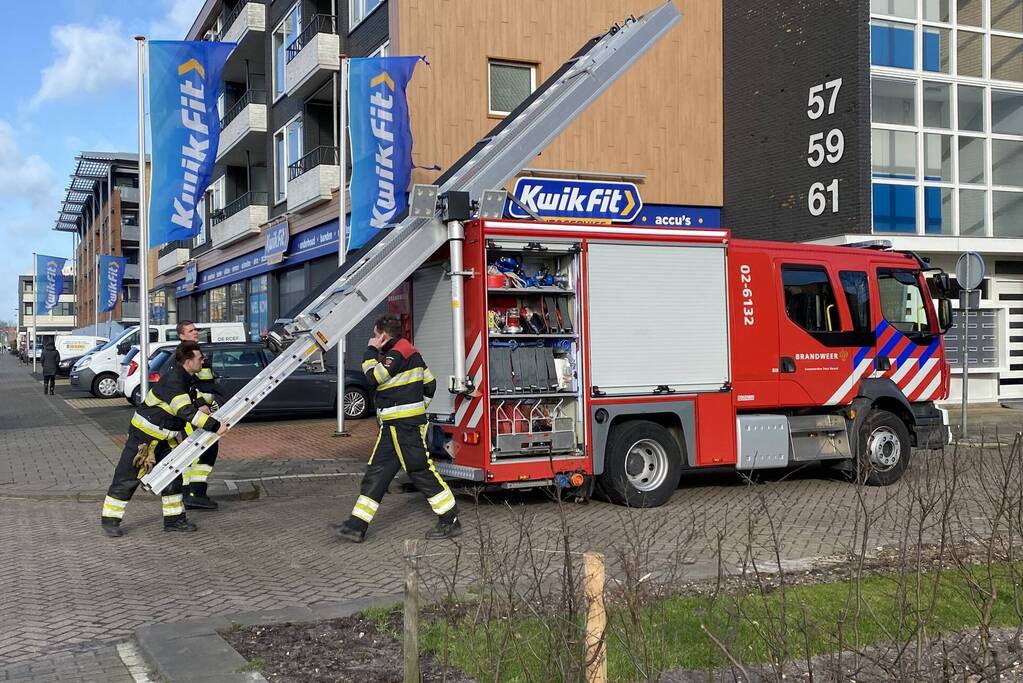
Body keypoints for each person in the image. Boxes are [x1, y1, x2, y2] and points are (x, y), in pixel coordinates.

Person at [336, 315, 462, 543]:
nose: (373, 338)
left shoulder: (398, 353)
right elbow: (430, 383)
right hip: (396, 426)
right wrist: (418, 409)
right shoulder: (410, 352)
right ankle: (356, 525)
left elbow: (373, 377)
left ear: (383, 335)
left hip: (404, 427)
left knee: (420, 471)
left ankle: (450, 519)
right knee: (377, 472)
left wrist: (370, 351)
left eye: (375, 335)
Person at [100, 341, 227, 537]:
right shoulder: (175, 380)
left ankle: (174, 520)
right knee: (127, 477)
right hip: (144, 439)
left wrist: (205, 402)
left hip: (165, 438)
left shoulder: (185, 377)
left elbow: (195, 396)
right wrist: (215, 426)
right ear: (188, 361)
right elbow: (185, 411)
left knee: (173, 477)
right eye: (200, 358)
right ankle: (110, 521)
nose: (203, 361)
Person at [175, 320, 223, 510]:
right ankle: (194, 494)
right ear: (181, 336)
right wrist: (200, 404)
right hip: (194, 413)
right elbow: (188, 385)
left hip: (204, 410)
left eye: (195, 329)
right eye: (190, 330)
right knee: (201, 451)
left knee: (202, 450)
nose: (195, 332)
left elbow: (205, 381)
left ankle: (192, 493)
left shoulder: (196, 352)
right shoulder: (184, 355)